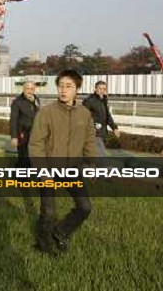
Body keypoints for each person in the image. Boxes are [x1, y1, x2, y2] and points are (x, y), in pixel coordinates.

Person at [29, 70, 97, 253]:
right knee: (48, 212)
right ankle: (42, 246)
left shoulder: (85, 114)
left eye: (68, 86)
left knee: (85, 207)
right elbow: (36, 144)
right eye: (61, 86)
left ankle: (60, 232)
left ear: (77, 89)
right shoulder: (46, 113)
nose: (63, 90)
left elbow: (90, 140)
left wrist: (92, 164)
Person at [83, 80, 120, 157]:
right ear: (95, 89)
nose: (102, 91)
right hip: (94, 133)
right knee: (101, 155)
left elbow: (108, 116)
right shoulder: (89, 101)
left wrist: (114, 128)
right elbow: (82, 117)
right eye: (100, 88)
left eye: (104, 89)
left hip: (103, 133)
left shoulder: (104, 100)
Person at [10, 81, 40, 167]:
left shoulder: (36, 100)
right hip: (23, 135)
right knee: (24, 158)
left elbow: (38, 114)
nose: (30, 91)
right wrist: (14, 137)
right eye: (28, 89)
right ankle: (22, 177)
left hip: (35, 134)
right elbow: (13, 120)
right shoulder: (17, 102)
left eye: (32, 89)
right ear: (23, 89)